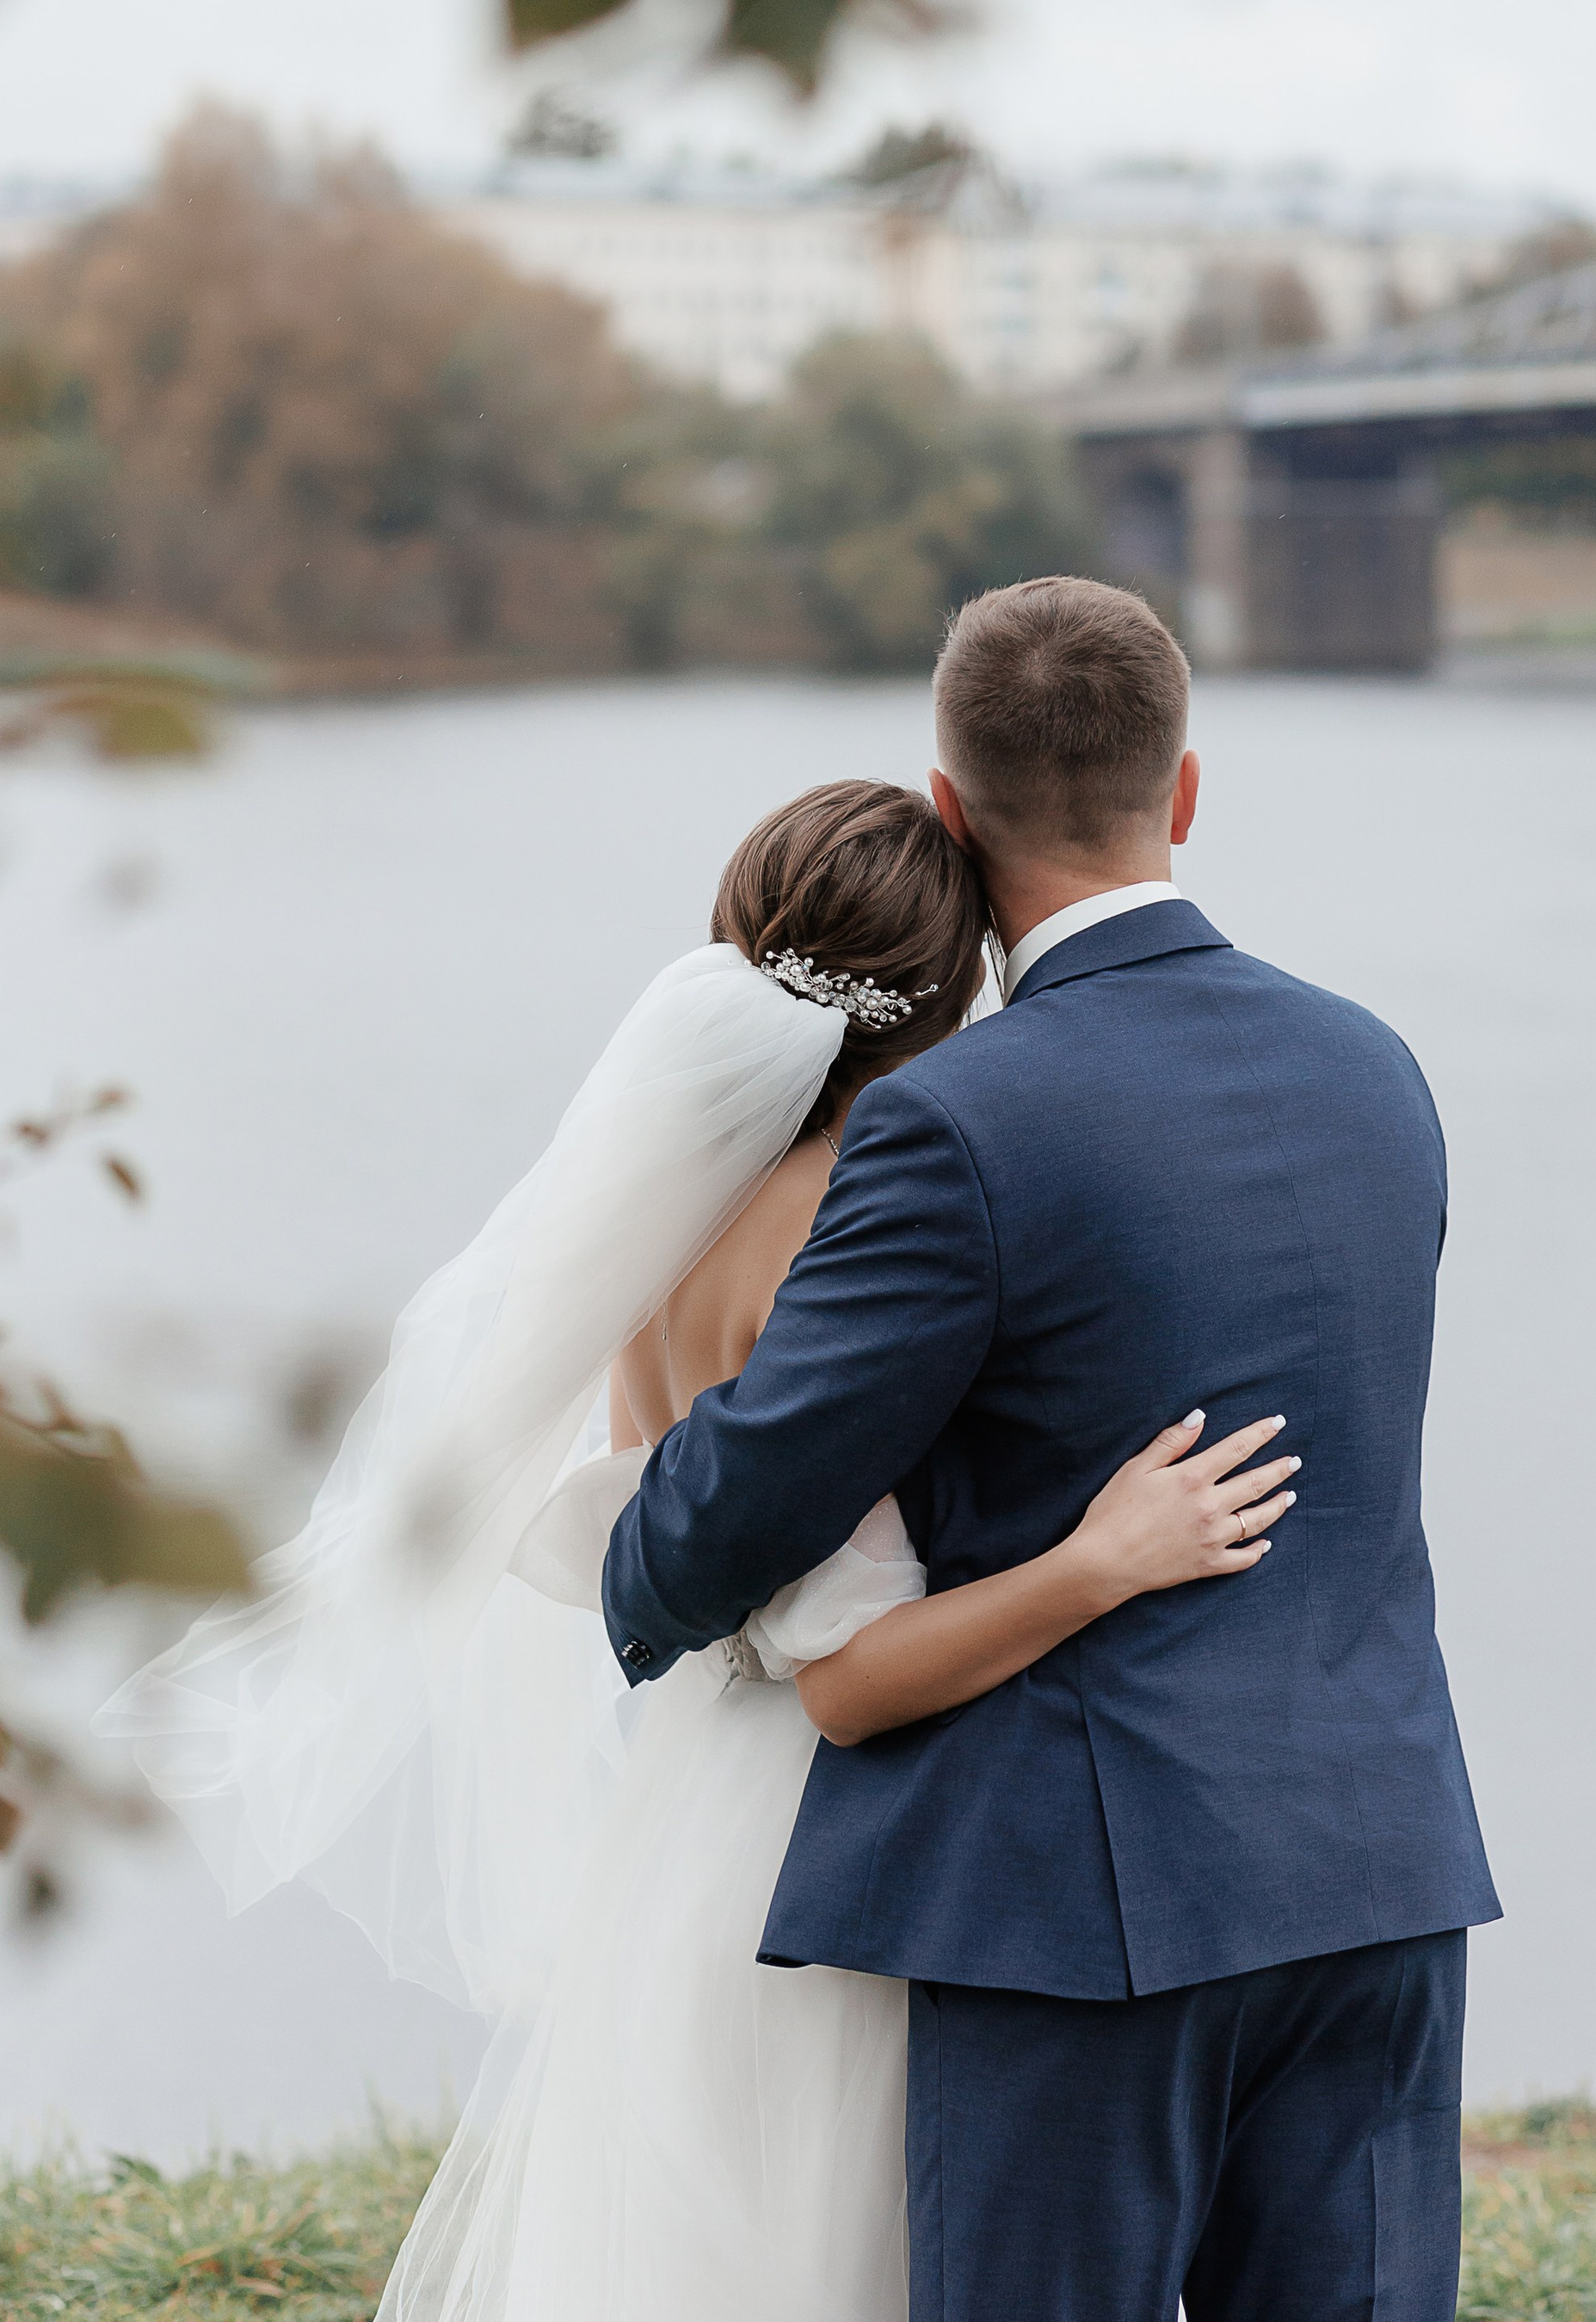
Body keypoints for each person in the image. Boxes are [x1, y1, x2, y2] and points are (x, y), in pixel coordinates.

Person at [107, 772, 1294, 2322]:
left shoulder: (664, 1220)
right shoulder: (857, 1227)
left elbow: (663, 1521)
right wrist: (1102, 1556)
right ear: (956, 994)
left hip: (682, 1829)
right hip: (835, 1852)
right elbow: (847, 1669)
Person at [606, 576, 1501, 2322]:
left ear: (949, 807)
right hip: (1375, 1871)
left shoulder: (955, 1124)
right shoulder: (1374, 1069)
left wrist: (634, 1547)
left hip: (1076, 1923)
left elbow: (740, 1509)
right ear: (1182, 793)